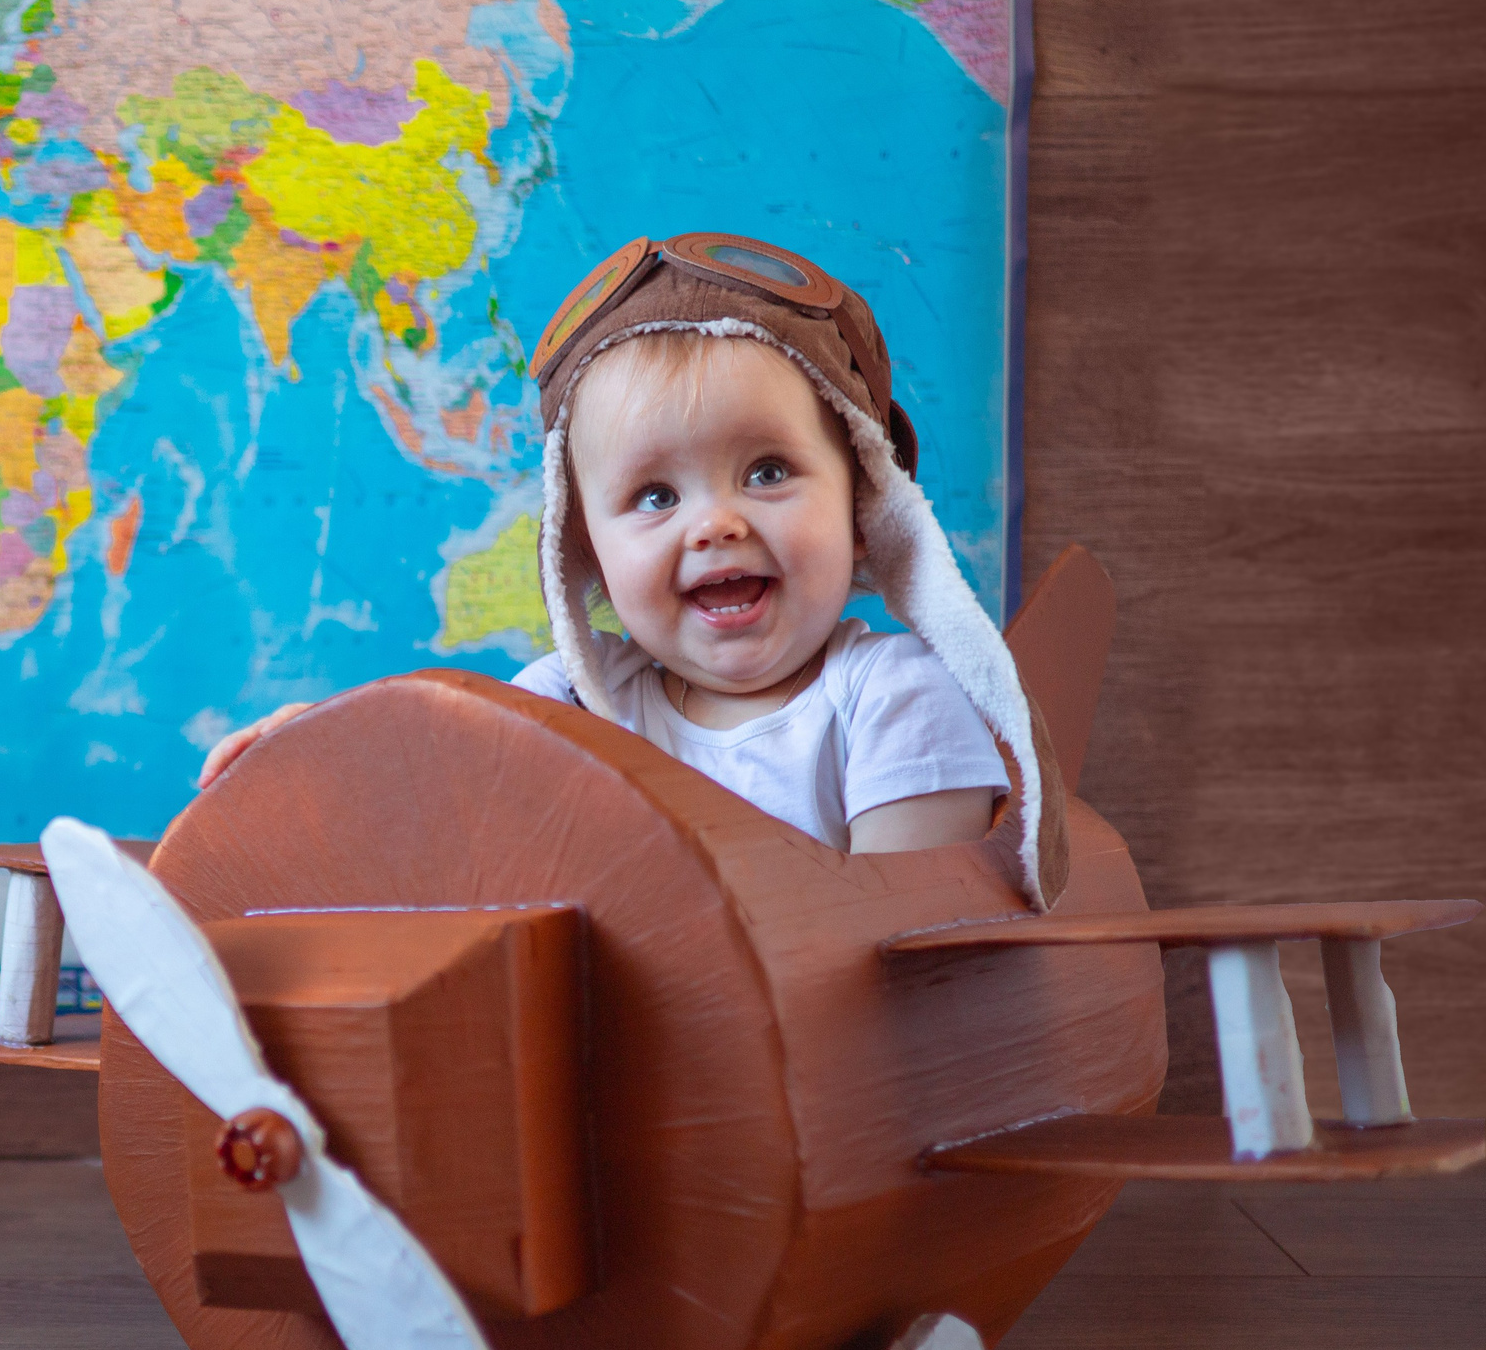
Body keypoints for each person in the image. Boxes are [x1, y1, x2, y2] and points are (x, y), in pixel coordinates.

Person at [198, 231, 1068, 909]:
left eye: (767, 472)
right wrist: (326, 757)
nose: (716, 522)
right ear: (588, 557)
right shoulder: (581, 704)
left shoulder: (891, 698)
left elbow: (904, 944)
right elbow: (435, 791)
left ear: (863, 508)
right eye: (654, 496)